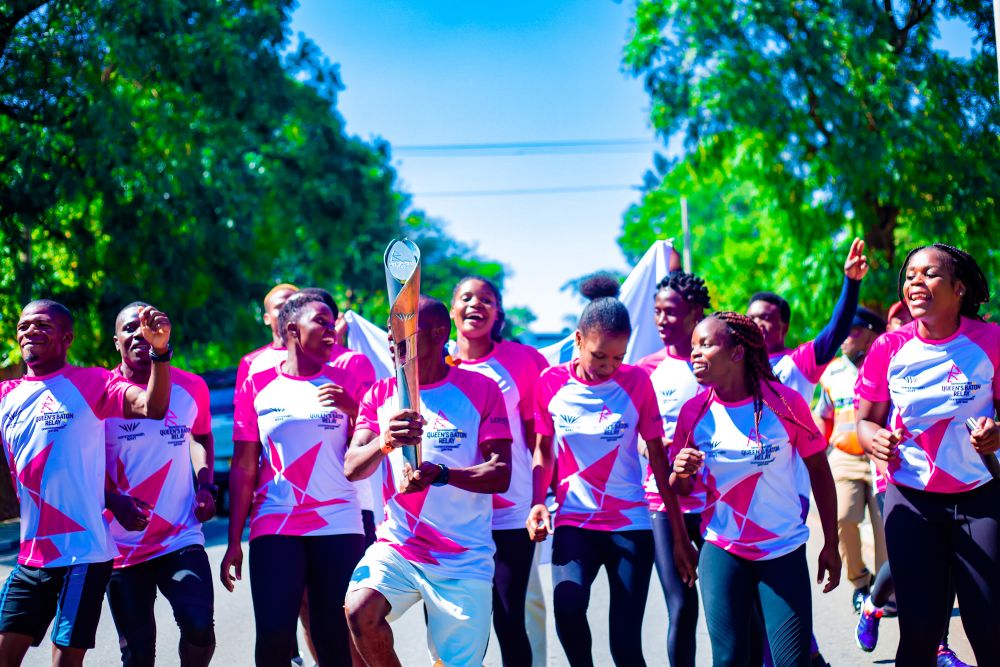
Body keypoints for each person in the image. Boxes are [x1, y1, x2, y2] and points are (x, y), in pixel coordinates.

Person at [527, 275, 696, 667]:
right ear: (579, 340)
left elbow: (658, 460)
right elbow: (543, 449)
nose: (609, 366)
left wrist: (676, 536)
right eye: (600, 356)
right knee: (567, 610)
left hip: (630, 525)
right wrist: (537, 503)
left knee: (624, 644)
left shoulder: (637, 382)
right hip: (574, 522)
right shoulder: (549, 384)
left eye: (618, 357)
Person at [0, 300, 172, 667]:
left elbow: (152, 408)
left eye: (43, 325)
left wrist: (160, 352)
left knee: (65, 661)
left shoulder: (93, 382)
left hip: (84, 553)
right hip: (32, 555)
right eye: (24, 325)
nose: (30, 331)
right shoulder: (6, 396)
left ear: (67, 338)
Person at [344, 296, 513, 667]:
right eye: (390, 333)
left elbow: (500, 473)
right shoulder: (379, 395)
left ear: (439, 334)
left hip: (463, 556)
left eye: (402, 334)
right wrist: (385, 439)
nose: (392, 342)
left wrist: (444, 474)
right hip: (400, 545)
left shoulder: (482, 390)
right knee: (358, 610)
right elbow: (352, 468)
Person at [857, 244, 1000, 666]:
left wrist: (997, 433)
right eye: (910, 275)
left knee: (989, 626)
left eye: (930, 274)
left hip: (979, 496)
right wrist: (874, 440)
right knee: (920, 632)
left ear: (958, 288)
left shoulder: (990, 340)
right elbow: (867, 421)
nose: (916, 282)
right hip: (912, 498)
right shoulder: (888, 348)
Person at [671, 311, 840, 666]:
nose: (695, 354)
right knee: (729, 659)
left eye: (706, 344)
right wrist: (680, 472)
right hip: (723, 548)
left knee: (791, 662)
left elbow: (820, 471)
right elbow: (681, 489)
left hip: (782, 549)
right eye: (693, 347)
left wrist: (831, 543)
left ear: (737, 352)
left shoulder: (786, 404)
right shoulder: (693, 412)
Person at [221, 292, 366, 666]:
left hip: (338, 521)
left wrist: (354, 408)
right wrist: (234, 540)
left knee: (332, 633)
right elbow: (243, 467)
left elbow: (370, 449)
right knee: (273, 634)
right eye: (320, 320)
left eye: (332, 322)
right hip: (276, 521)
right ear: (290, 329)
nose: (330, 328)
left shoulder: (349, 380)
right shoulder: (258, 384)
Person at [103, 302, 217, 666]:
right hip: (121, 545)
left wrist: (205, 485)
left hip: (179, 534)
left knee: (199, 627)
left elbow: (200, 436)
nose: (138, 334)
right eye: (129, 329)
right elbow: (81, 462)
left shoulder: (191, 386)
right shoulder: (100, 393)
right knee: (137, 656)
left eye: (146, 327)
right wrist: (112, 501)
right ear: (116, 341)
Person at [448, 276, 548, 667]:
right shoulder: (431, 362)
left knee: (509, 619)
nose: (477, 304)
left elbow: (538, 440)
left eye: (486, 299)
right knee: (458, 623)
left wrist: (539, 500)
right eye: (467, 298)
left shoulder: (523, 361)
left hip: (510, 510)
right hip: (453, 513)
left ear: (498, 312)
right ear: (452, 310)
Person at [635, 271, 711, 667]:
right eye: (657, 312)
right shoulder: (645, 369)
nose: (662, 320)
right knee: (681, 606)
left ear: (695, 312)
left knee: (735, 605)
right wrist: (653, 449)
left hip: (718, 501)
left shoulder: (717, 361)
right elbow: (633, 436)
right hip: (665, 503)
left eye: (671, 311)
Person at [813, 307, 888, 613]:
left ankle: (886, 590)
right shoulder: (831, 373)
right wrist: (814, 457)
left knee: (886, 528)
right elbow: (824, 416)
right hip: (844, 457)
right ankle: (860, 582)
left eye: (853, 330)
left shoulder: (887, 364)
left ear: (871, 332)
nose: (844, 337)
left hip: (883, 458)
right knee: (843, 518)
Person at [747, 238, 868, 401]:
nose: (756, 323)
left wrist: (851, 282)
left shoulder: (798, 363)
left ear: (785, 327)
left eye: (765, 317)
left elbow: (836, 331)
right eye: (751, 318)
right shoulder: (736, 367)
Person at [234, 283, 299, 391]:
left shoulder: (323, 356)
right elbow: (243, 406)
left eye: (295, 306)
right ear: (266, 318)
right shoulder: (251, 362)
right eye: (281, 307)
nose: (289, 311)